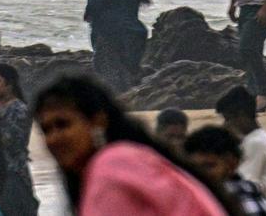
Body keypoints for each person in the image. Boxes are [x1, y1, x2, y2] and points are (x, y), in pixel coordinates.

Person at [35, 76, 233, 215]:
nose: (53, 138)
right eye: (46, 130)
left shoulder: (113, 164)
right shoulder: (132, 157)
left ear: (97, 121)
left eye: (63, 124)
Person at [85, 0, 151, 92]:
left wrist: (90, 19)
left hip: (110, 33)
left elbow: (93, 8)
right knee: (129, 71)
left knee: (107, 71)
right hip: (135, 32)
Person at [184, 126, 266, 216]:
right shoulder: (252, 192)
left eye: (209, 166)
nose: (200, 173)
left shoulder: (233, 200)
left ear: (231, 165)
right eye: (194, 167)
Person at [0, 64, 38, 216]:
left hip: (14, 178)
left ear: (9, 85)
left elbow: (13, 143)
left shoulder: (17, 110)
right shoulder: (3, 109)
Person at [216, 85, 266, 209]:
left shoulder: (255, 143)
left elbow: (245, 185)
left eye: (228, 119)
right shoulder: (261, 137)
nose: (225, 125)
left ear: (242, 116)